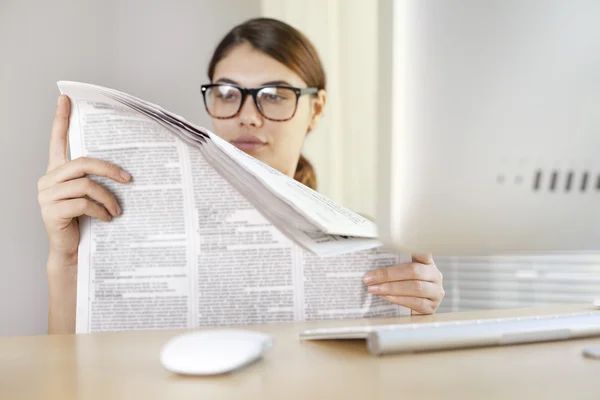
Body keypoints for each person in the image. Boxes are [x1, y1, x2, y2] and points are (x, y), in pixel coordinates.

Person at [38, 17, 445, 334]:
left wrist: (417, 315)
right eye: (228, 94)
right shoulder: (142, 232)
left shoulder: (367, 249)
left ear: (316, 109)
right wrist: (68, 260)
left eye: (274, 95)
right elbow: (70, 375)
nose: (248, 117)